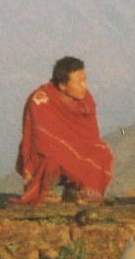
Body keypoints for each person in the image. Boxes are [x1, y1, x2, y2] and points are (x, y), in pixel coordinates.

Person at [15, 56, 113, 205]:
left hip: (73, 149)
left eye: (85, 80)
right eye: (79, 81)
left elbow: (91, 136)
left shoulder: (85, 101)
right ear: (62, 85)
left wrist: (76, 150)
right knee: (53, 157)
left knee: (101, 151)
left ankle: (77, 191)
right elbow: (41, 140)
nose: (84, 86)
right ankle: (47, 189)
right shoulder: (40, 100)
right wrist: (68, 151)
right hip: (44, 154)